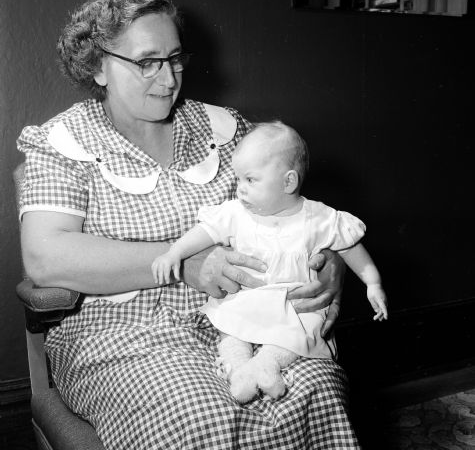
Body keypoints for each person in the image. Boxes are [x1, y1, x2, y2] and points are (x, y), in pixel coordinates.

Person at [17, 0, 377, 450]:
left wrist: (331, 259)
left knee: (316, 388)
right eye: (146, 62)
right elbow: (47, 257)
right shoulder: (64, 142)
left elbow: (289, 205)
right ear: (97, 65)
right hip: (119, 337)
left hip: (242, 321)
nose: (168, 79)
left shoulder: (223, 129)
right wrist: (181, 263)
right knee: (199, 415)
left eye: (175, 58)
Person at [152, 121, 388, 403]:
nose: (240, 189)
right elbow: (204, 232)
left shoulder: (319, 218)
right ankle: (239, 369)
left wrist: (373, 283)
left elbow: (351, 248)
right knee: (231, 329)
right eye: (238, 179)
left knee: (297, 333)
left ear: (288, 181)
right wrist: (174, 252)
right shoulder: (236, 213)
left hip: (294, 304)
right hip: (249, 297)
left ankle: (267, 364)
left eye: (250, 180)